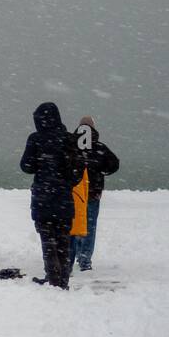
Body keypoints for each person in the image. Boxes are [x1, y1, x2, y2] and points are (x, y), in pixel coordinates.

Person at [19, 102, 85, 288]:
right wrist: (65, 183)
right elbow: (78, 170)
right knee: (63, 241)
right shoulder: (69, 139)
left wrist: (42, 167)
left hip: (43, 199)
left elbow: (26, 166)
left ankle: (53, 279)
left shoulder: (35, 139)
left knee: (48, 242)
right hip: (64, 199)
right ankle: (62, 279)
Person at [70, 115, 119, 271]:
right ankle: (85, 260)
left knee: (74, 224)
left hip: (75, 192)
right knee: (89, 226)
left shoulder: (70, 145)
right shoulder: (99, 147)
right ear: (93, 128)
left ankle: (72, 255)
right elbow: (114, 164)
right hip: (93, 192)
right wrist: (101, 171)